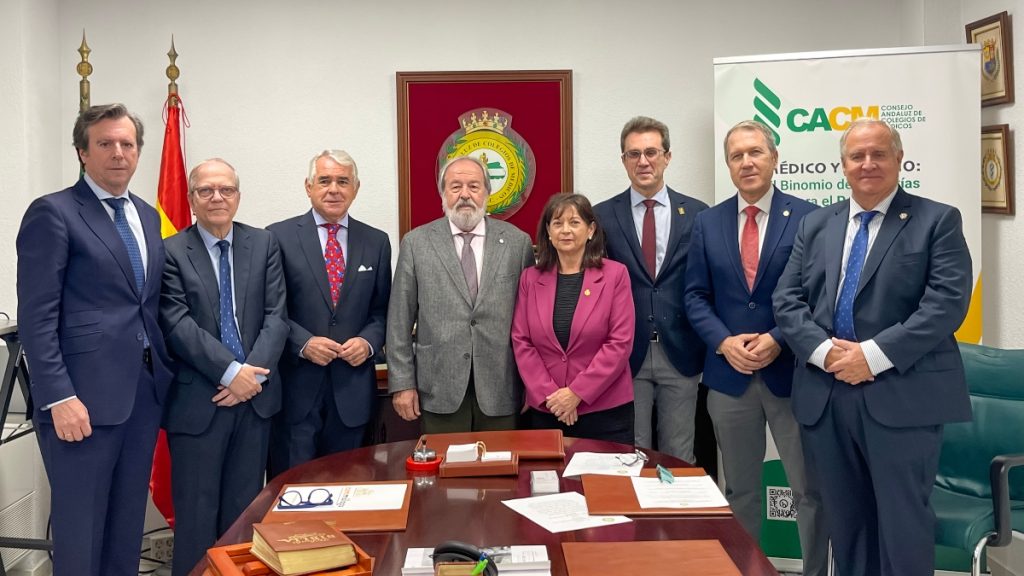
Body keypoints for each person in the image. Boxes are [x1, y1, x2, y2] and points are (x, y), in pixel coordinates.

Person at [773, 118, 973, 576]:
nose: (867, 164)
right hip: (827, 395)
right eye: (856, 156)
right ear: (842, 165)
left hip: (902, 395)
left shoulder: (937, 220)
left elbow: (945, 306)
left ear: (899, 159)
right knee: (846, 525)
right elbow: (787, 300)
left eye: (878, 154)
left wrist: (872, 357)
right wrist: (825, 353)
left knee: (902, 525)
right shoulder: (817, 223)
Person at [16, 103, 174, 576]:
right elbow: (36, 317)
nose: (118, 153)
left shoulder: (146, 217)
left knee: (127, 528)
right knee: (81, 534)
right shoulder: (54, 213)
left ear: (139, 153)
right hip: (79, 402)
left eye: (127, 144)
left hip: (141, 397)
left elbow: (146, 305)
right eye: (105, 143)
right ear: (83, 152)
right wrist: (58, 395)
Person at [684, 120, 826, 575]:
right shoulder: (707, 222)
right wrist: (725, 342)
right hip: (729, 378)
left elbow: (817, 294)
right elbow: (695, 296)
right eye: (736, 155)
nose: (746, 162)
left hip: (791, 375)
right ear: (727, 164)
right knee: (739, 490)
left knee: (809, 491)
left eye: (755, 152)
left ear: (774, 157)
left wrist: (778, 339)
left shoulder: (809, 217)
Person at [159, 158, 288, 576]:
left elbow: (276, 317)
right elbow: (176, 323)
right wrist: (232, 373)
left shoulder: (263, 243)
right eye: (206, 191)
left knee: (244, 519)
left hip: (255, 401)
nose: (217, 198)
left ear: (238, 196)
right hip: (199, 403)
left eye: (226, 190)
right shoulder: (171, 251)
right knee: (196, 522)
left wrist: (250, 375)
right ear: (192, 199)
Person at [387, 156, 534, 433]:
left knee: (500, 472)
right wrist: (403, 383)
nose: (465, 194)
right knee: (445, 471)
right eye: (455, 187)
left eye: (474, 186)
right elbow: (399, 322)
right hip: (438, 387)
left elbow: (530, 320)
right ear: (443, 193)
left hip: (502, 386)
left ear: (488, 193)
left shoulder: (518, 243)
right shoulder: (416, 243)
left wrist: (532, 382)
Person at [267, 150, 391, 478]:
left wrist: (367, 343)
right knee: (293, 492)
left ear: (356, 187)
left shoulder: (377, 242)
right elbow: (270, 310)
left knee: (350, 490)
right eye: (324, 180)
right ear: (309, 187)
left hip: (352, 392)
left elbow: (382, 311)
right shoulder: (276, 237)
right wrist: (304, 343)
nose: (333, 189)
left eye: (342, 181)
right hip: (296, 390)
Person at [593, 116, 708, 462]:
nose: (643, 161)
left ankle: (675, 518)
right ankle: (637, 519)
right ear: (624, 160)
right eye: (633, 154)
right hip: (627, 354)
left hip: (682, 350)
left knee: (680, 454)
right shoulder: (601, 216)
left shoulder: (699, 214)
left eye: (651, 152)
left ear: (667, 157)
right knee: (632, 454)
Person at [511, 193, 635, 443]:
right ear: (548, 231)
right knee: (548, 482)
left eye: (574, 222)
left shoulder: (615, 275)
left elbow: (619, 343)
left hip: (605, 410)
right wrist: (552, 396)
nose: (565, 230)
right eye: (557, 223)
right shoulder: (530, 278)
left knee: (604, 483)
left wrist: (577, 393)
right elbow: (521, 341)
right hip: (548, 409)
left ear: (591, 230)